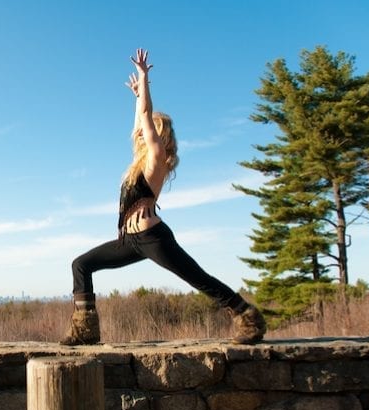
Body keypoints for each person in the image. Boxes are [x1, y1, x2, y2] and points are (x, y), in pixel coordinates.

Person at [60, 48, 266, 346]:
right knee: (81, 264)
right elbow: (137, 122)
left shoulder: (157, 158)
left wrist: (145, 79)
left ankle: (247, 316)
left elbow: (145, 115)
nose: (140, 133)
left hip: (153, 237)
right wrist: (136, 97)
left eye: (147, 129)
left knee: (197, 277)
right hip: (129, 241)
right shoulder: (139, 160)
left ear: (157, 133)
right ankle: (85, 329)